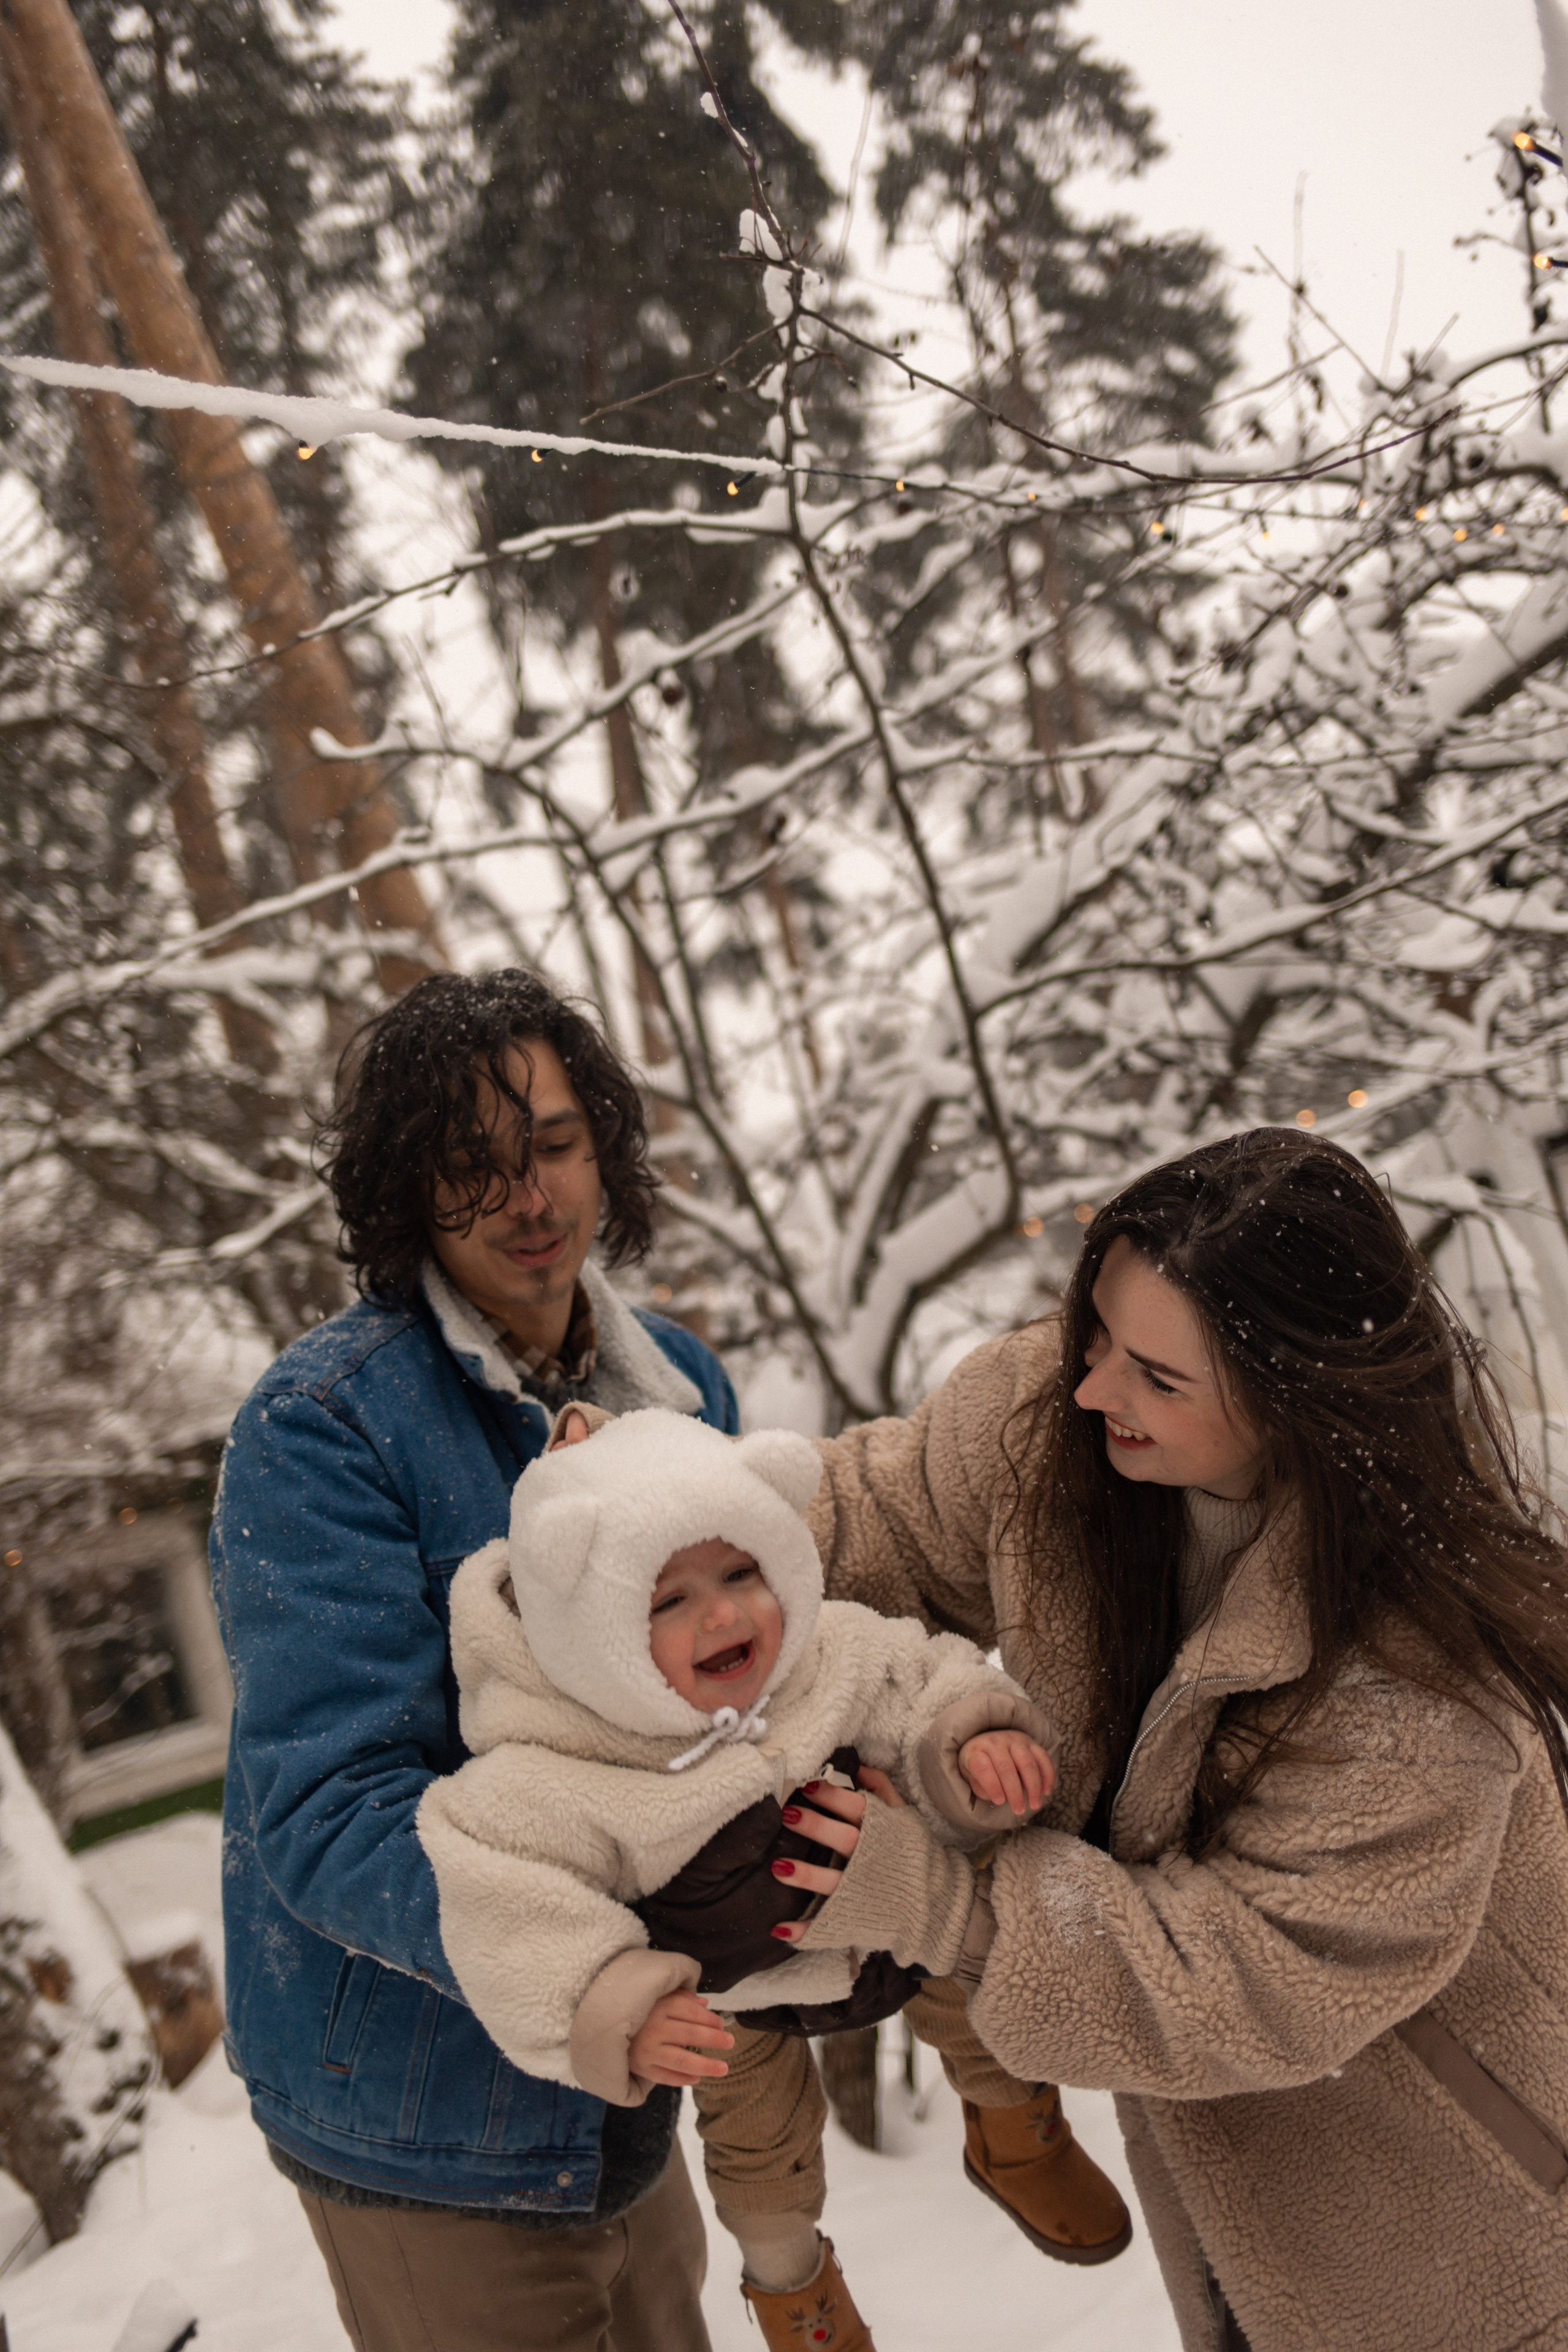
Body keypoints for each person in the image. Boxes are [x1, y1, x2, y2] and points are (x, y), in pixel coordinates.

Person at [767, 1129, 1568, 2352]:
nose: (1091, 1386)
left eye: (1155, 1374)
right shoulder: (1057, 1422)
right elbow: (874, 1515)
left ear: (1301, 1395)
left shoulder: (1421, 1678)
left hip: (1457, 2244)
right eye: (1094, 1332)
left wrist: (941, 1891)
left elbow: (1241, 1980)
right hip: (1237, 2230)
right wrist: (668, 1519)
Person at [209, 971, 739, 2352]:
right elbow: (325, 1815)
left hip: (626, 2083)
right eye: (470, 1166)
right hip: (419, 2118)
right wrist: (587, 1971)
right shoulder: (323, 1427)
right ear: (405, 1191)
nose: (528, 1198)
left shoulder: (678, 1389)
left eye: (555, 1144)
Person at [418, 1400, 1057, 2351]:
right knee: (759, 2145)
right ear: (593, 1628)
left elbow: (922, 1673)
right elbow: (507, 1902)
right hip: (741, 1999)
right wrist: (614, 2002)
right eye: (666, 1600)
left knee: (980, 1982)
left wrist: (975, 1737)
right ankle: (792, 2284)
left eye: (740, 1570)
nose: (721, 1613)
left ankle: (1019, 2130)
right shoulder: (558, 1765)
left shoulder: (828, 1648)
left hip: (889, 1924)